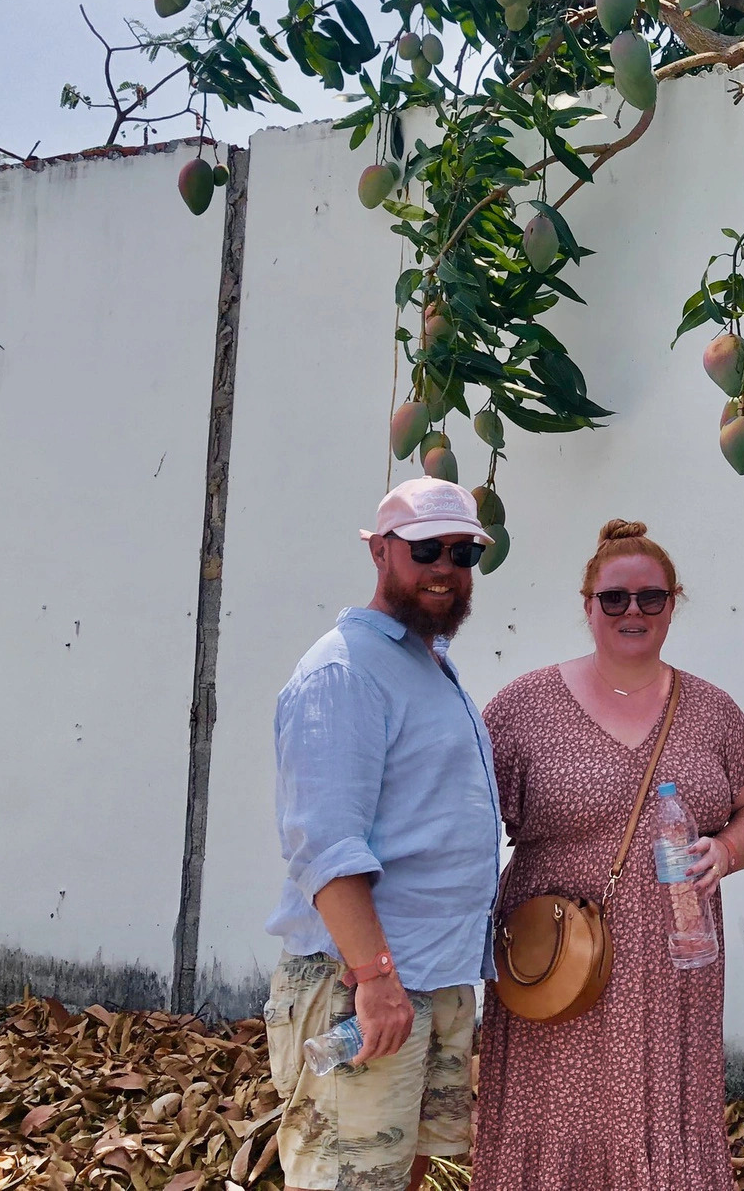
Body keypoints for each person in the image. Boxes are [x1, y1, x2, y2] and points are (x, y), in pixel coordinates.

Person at [472, 519, 744, 1191]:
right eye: (615, 598)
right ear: (587, 605)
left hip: (676, 959)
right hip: (555, 960)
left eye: (652, 597)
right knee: (554, 1113)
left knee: (660, 1115)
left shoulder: (711, 710)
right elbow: (466, 823)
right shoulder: (524, 706)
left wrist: (728, 849)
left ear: (675, 603)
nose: (633, 611)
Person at [263, 476, 502, 1191]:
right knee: (348, 1181)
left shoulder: (424, 662)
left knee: (400, 1172)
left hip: (432, 976)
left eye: (463, 553)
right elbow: (326, 844)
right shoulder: (344, 671)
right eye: (426, 548)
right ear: (379, 553)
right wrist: (374, 980)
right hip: (364, 983)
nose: (445, 567)